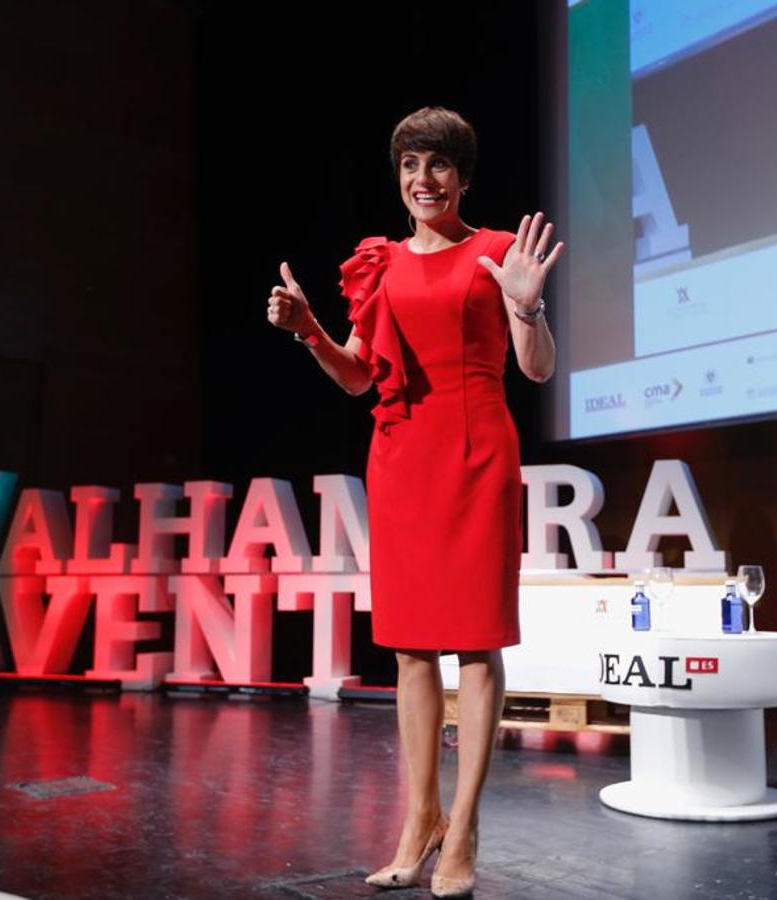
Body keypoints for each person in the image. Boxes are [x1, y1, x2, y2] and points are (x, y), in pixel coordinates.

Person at [265, 106, 562, 897]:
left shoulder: (497, 253)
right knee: (407, 647)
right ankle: (417, 820)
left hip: (475, 452)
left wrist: (526, 305)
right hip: (400, 456)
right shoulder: (380, 263)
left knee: (475, 642)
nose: (421, 180)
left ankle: (462, 830)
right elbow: (360, 375)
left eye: (436, 166)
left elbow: (534, 370)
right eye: (408, 167)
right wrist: (309, 333)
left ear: (462, 177)